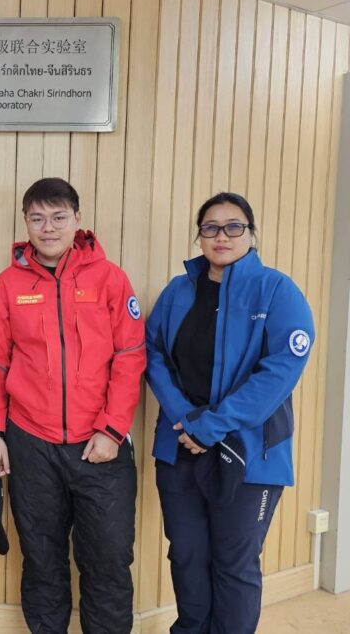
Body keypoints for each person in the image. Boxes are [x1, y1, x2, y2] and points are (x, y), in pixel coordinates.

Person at [0, 178, 146, 633]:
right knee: (42, 559)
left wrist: (112, 430)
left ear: (77, 218)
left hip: (101, 448)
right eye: (37, 218)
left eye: (57, 217)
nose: (47, 227)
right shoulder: (8, 286)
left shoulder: (110, 278)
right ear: (26, 223)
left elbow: (131, 358)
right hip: (31, 444)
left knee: (109, 560)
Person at [145, 192, 314, 634]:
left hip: (250, 454)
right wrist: (186, 418)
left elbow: (279, 371)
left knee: (234, 564)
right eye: (210, 227)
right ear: (199, 235)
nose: (222, 235)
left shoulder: (277, 291)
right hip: (180, 445)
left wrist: (212, 426)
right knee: (185, 555)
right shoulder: (178, 292)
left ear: (251, 234)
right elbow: (153, 353)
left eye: (233, 226)